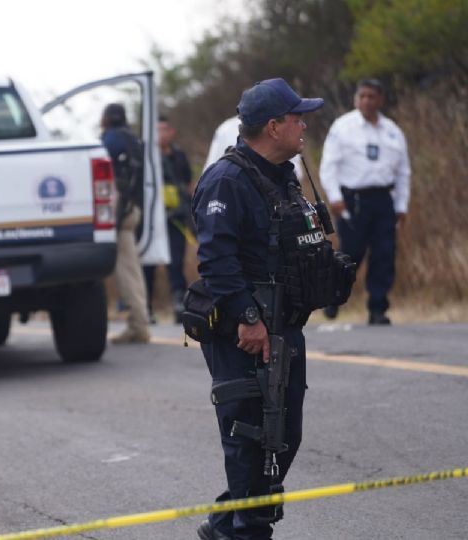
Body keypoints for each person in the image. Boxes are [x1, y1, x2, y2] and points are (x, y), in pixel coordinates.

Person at [192, 78, 325, 540]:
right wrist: (249, 319)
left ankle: (227, 524)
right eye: (296, 117)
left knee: (284, 437)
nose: (303, 124)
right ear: (273, 126)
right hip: (245, 336)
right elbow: (215, 261)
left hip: (285, 329)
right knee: (253, 444)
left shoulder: (283, 175)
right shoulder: (226, 181)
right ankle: (242, 530)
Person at [319, 79, 410, 325]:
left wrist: (401, 206)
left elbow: (403, 172)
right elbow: (328, 165)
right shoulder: (343, 127)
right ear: (356, 99)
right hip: (353, 199)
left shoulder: (392, 131)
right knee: (351, 253)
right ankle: (333, 298)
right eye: (363, 96)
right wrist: (335, 198)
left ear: (380, 100)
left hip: (383, 199)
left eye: (372, 96)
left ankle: (378, 308)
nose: (367, 101)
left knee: (384, 253)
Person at [100, 103, 150, 344]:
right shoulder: (134, 140)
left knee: (125, 269)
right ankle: (138, 321)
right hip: (134, 207)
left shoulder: (108, 140)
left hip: (118, 209)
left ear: (106, 119)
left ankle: (138, 324)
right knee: (131, 267)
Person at [144, 115, 192, 323]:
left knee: (176, 261)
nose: (161, 134)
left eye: (165, 129)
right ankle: (145, 308)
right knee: (148, 263)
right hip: (152, 221)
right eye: (157, 130)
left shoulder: (179, 156)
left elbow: (188, 184)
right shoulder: (146, 157)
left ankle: (179, 304)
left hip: (176, 219)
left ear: (171, 132)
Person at [205, 116, 305, 179]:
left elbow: (297, 171)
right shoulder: (225, 129)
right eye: (297, 121)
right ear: (273, 127)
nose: (304, 126)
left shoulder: (286, 140)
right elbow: (212, 170)